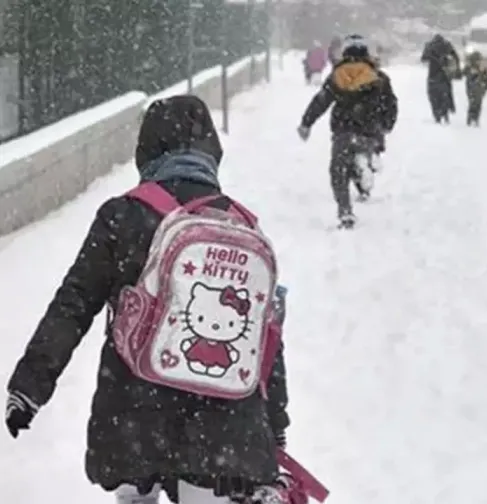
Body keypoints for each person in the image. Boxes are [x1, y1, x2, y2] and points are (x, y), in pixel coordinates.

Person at [4, 95, 291, 503]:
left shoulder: (122, 216)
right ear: (212, 151)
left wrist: (30, 387)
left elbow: (73, 304)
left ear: (146, 150)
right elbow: (266, 338)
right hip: (223, 426)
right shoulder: (241, 226)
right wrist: (273, 423)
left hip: (133, 414)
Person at [297, 34, 398, 229]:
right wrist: (386, 125)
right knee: (364, 152)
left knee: (338, 170)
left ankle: (345, 211)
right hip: (370, 130)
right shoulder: (379, 78)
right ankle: (367, 164)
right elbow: (391, 105)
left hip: (343, 129)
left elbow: (321, 101)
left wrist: (306, 123)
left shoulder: (337, 76)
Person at [421, 34, 461, 123]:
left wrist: (432, 57)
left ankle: (437, 115)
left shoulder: (430, 46)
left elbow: (423, 58)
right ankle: (445, 112)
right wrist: (456, 70)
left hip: (433, 75)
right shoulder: (447, 46)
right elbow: (456, 58)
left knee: (434, 96)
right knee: (445, 95)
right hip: (445, 75)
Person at [463, 51, 487, 127]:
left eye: (479, 60)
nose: (478, 62)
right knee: (472, 104)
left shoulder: (482, 69)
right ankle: (470, 119)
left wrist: (484, 89)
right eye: (477, 60)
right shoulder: (469, 68)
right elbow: (463, 73)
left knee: (478, 105)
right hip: (472, 89)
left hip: (479, 90)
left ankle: (475, 119)